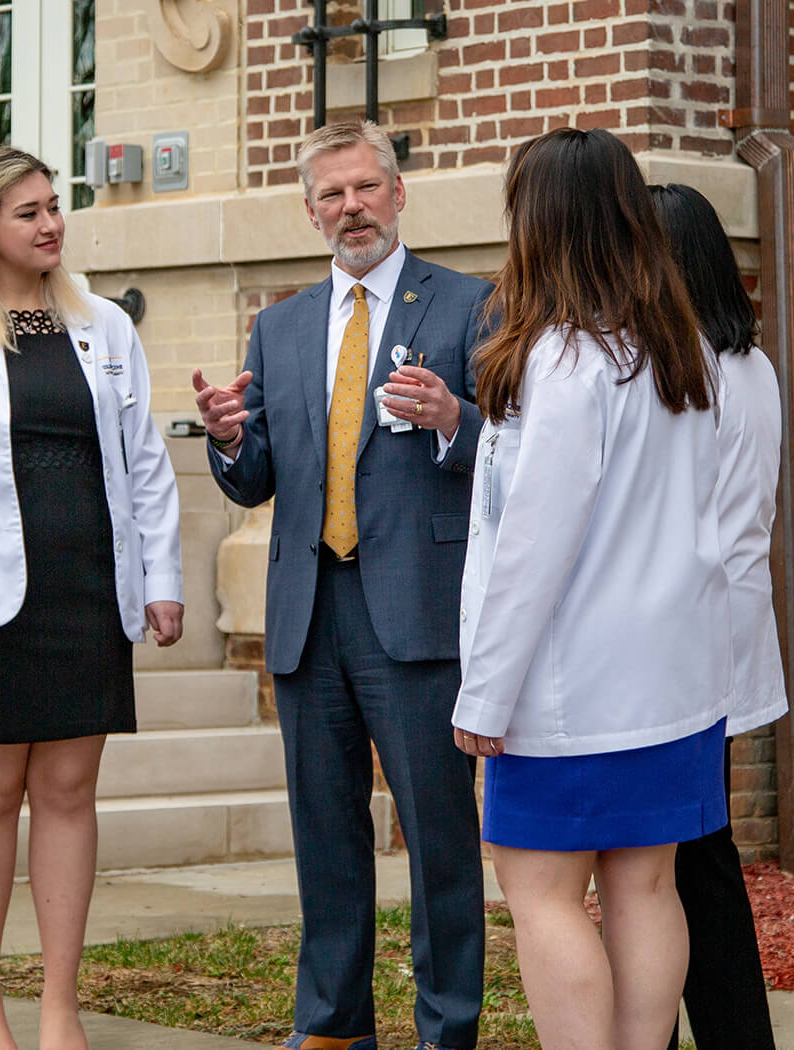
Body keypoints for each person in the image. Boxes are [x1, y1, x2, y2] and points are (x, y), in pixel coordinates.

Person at [0, 146, 184, 1050]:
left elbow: (143, 462)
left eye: (54, 206)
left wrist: (161, 579)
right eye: (29, 213)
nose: (51, 224)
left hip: (86, 584)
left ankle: (59, 1006)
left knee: (68, 790)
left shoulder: (103, 324)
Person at [194, 120, 489, 1050]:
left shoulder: (469, 306)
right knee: (325, 832)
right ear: (309, 210)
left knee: (438, 835)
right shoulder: (280, 326)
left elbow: (514, 449)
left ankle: (446, 1028)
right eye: (333, 194)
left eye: (366, 188)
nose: (352, 207)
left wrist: (454, 417)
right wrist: (230, 440)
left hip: (416, 609)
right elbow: (260, 478)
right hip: (310, 611)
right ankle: (332, 1025)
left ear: (399, 194)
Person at [450, 128, 733, 1050]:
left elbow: (533, 545)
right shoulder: (683, 351)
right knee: (645, 885)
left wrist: (484, 692)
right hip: (674, 679)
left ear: (540, 224)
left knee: (540, 892)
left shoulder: (565, 361)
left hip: (572, 688)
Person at [651, 182, 787, 1050]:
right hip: (732, 629)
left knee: (674, 864)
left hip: (685, 642)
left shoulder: (680, 372)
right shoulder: (753, 363)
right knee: (698, 853)